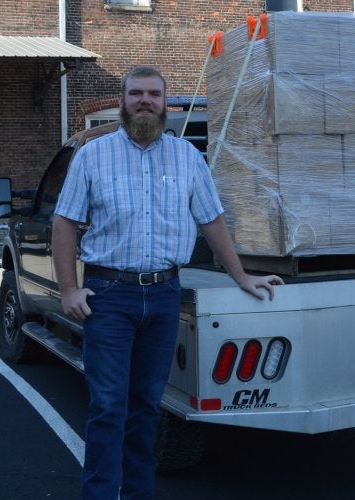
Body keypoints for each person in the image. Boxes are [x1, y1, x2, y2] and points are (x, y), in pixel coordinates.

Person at [52, 65, 283, 499]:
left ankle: (138, 493)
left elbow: (212, 219)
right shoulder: (92, 156)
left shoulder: (186, 157)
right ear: (122, 101)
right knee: (107, 407)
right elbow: (64, 223)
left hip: (163, 297)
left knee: (146, 407)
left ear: (165, 102)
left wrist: (240, 275)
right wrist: (68, 289)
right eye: (136, 93)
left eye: (153, 94)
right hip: (108, 297)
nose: (145, 101)